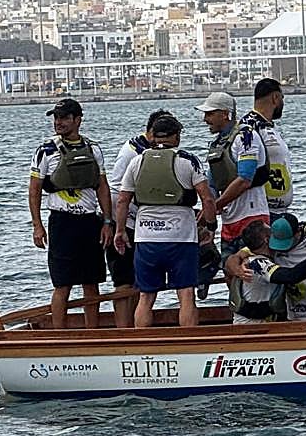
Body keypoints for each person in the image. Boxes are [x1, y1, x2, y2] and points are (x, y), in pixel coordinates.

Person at [114, 114, 216, 328]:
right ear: (176, 137)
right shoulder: (188, 160)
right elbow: (207, 198)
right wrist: (210, 225)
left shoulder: (137, 161)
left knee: (146, 296)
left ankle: (143, 346)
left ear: (153, 136)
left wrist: (120, 230)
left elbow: (123, 200)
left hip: (146, 238)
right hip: (182, 239)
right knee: (186, 294)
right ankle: (188, 344)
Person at [28, 97, 114, 329]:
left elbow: (102, 187)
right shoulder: (45, 151)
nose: (59, 122)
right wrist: (37, 225)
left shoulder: (93, 149)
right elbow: (35, 189)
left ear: (78, 120)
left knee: (91, 282)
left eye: (65, 117)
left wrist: (107, 221)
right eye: (56, 118)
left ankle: (92, 332)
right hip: (61, 222)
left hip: (88, 221)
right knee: (62, 283)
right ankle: (59, 335)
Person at [105, 107, 174, 327]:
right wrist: (118, 227)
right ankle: (125, 332)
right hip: (124, 221)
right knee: (124, 282)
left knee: (139, 281)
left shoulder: (147, 150)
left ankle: (136, 326)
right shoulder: (136, 153)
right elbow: (122, 193)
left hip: (139, 222)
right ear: (153, 133)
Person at [197, 91, 269, 294]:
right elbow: (212, 182)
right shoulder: (217, 144)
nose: (205, 119)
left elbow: (245, 179)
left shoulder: (246, 137)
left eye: (210, 114)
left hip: (252, 216)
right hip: (230, 220)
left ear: (225, 114)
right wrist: (206, 212)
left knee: (253, 272)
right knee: (230, 273)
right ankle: (237, 314)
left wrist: (216, 205)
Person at [226, 219, 306, 324]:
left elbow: (235, 256)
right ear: (267, 239)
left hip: (268, 321)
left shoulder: (255, 253)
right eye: (272, 233)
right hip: (251, 325)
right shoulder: (257, 263)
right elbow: (292, 276)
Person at [242, 78, 294, 217]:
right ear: (275, 98)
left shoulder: (266, 126)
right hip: (261, 211)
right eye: (282, 98)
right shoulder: (249, 127)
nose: (283, 103)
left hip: (277, 210)